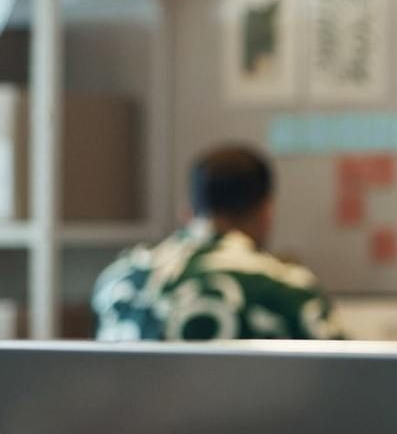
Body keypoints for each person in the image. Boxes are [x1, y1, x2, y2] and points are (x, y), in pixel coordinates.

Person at [93, 144, 341, 342]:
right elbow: (346, 381)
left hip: (135, 407)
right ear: (267, 212)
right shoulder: (288, 289)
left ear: (187, 212)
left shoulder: (118, 281)